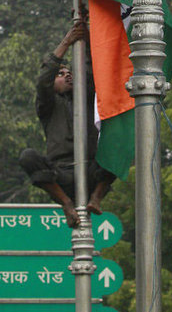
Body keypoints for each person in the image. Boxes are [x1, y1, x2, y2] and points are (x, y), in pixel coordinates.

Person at [18, 20, 115, 227]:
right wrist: (67, 40)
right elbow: (44, 79)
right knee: (28, 156)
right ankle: (66, 203)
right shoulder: (48, 104)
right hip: (60, 172)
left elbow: (90, 69)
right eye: (61, 75)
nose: (67, 75)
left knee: (119, 143)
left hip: (91, 169)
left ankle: (96, 197)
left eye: (69, 73)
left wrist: (85, 35)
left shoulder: (86, 97)